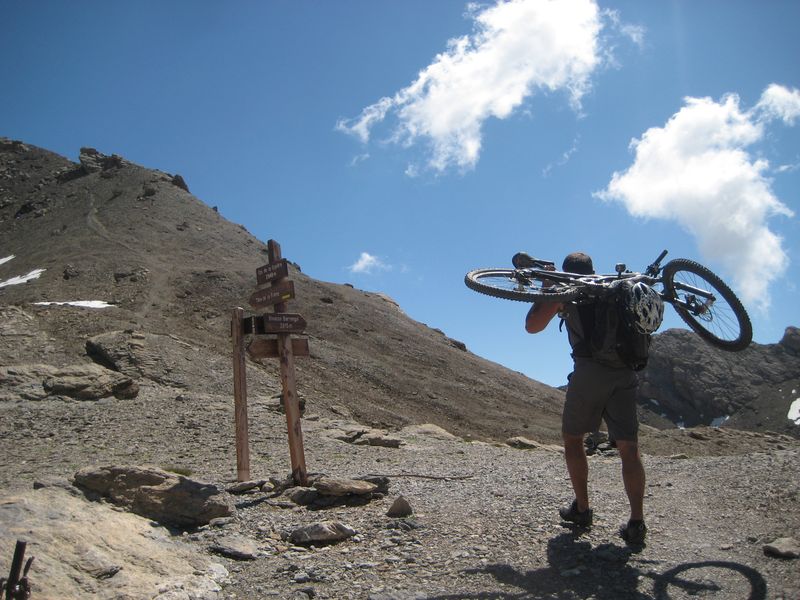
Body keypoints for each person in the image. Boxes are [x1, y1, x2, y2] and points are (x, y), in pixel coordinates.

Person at [517, 250, 648, 545]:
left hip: (590, 371)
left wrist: (549, 289)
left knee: (573, 438)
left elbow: (533, 326)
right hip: (626, 371)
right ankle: (637, 522)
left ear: (567, 270)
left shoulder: (572, 290)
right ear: (592, 268)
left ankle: (583, 509)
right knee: (629, 448)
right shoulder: (615, 289)